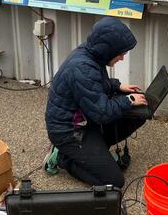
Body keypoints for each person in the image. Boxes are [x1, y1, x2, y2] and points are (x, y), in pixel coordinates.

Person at [44, 17, 148, 188]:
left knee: (139, 114)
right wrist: (128, 100)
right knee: (114, 181)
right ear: (107, 50)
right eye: (121, 53)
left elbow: (95, 84)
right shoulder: (82, 67)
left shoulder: (92, 55)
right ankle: (63, 157)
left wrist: (118, 86)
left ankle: (93, 154)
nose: (122, 58)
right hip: (68, 131)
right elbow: (102, 113)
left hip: (84, 120)